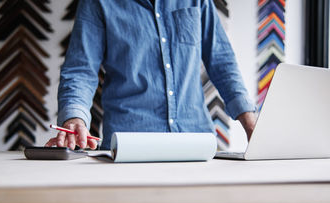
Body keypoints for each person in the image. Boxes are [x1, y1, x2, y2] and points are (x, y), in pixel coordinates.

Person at [46, 0, 256, 150]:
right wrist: (75, 118)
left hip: (197, 144)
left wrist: (251, 123)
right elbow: (80, 70)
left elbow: (222, 61)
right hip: (128, 147)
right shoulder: (97, 3)